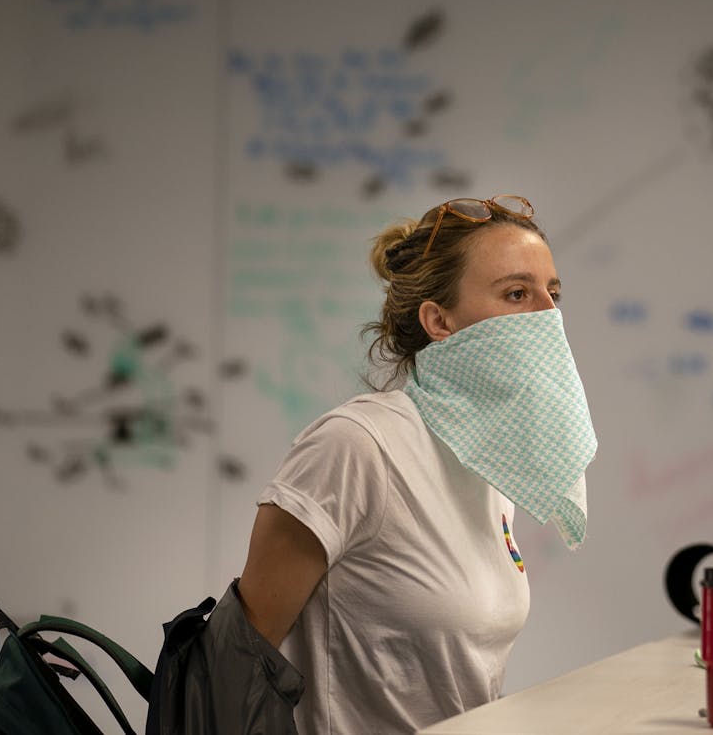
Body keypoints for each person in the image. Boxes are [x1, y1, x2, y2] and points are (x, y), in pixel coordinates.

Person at [235, 194, 598, 734]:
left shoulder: (487, 461)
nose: (548, 317)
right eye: (517, 293)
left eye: (554, 293)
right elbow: (240, 664)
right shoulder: (357, 445)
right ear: (439, 320)